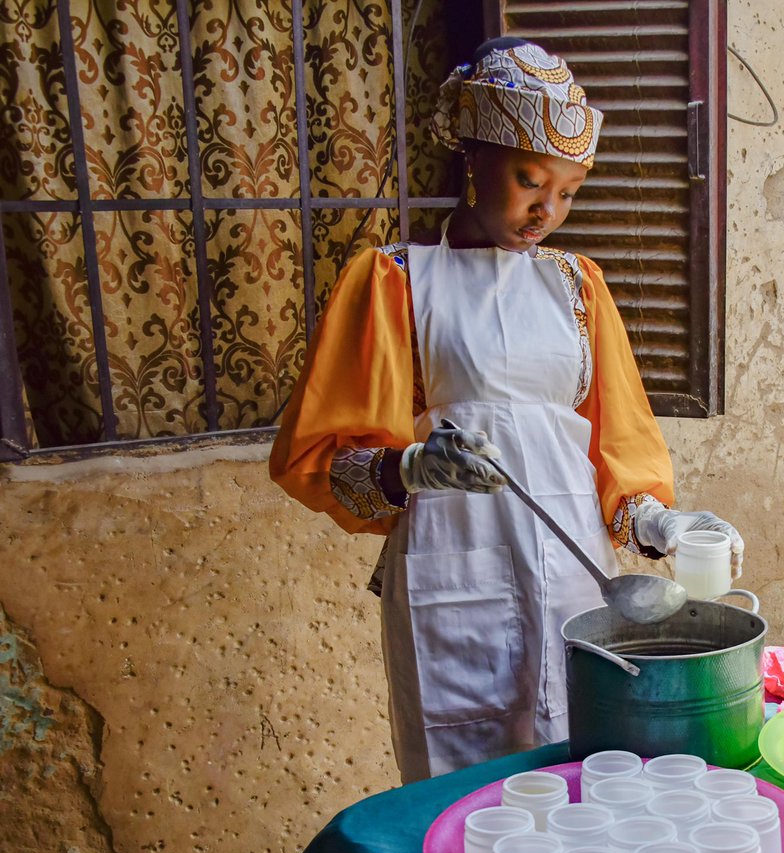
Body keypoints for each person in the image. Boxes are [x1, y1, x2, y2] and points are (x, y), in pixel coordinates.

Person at [269, 38, 744, 782]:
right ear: (474, 158)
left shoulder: (577, 287)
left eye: (568, 191)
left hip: (577, 574)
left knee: (586, 768)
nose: (545, 211)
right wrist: (410, 467)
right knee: (466, 793)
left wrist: (658, 523)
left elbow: (615, 446)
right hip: (449, 576)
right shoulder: (396, 282)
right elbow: (321, 462)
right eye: (529, 180)